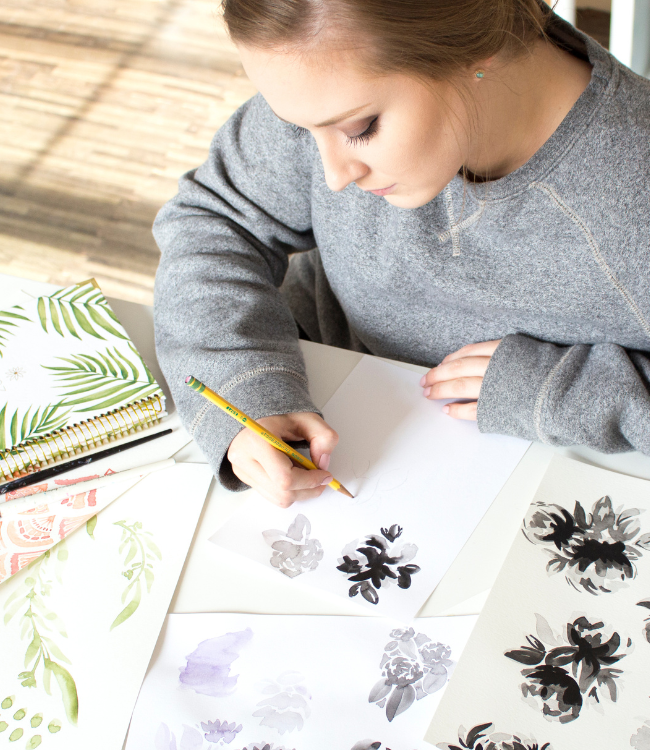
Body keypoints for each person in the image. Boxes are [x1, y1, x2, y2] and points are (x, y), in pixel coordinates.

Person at [153, 0, 650, 508]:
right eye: (304, 131)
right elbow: (214, 218)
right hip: (328, 400)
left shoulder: (636, 194)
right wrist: (245, 388)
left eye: (362, 129)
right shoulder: (328, 70)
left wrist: (565, 392)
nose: (333, 176)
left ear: (478, 47)